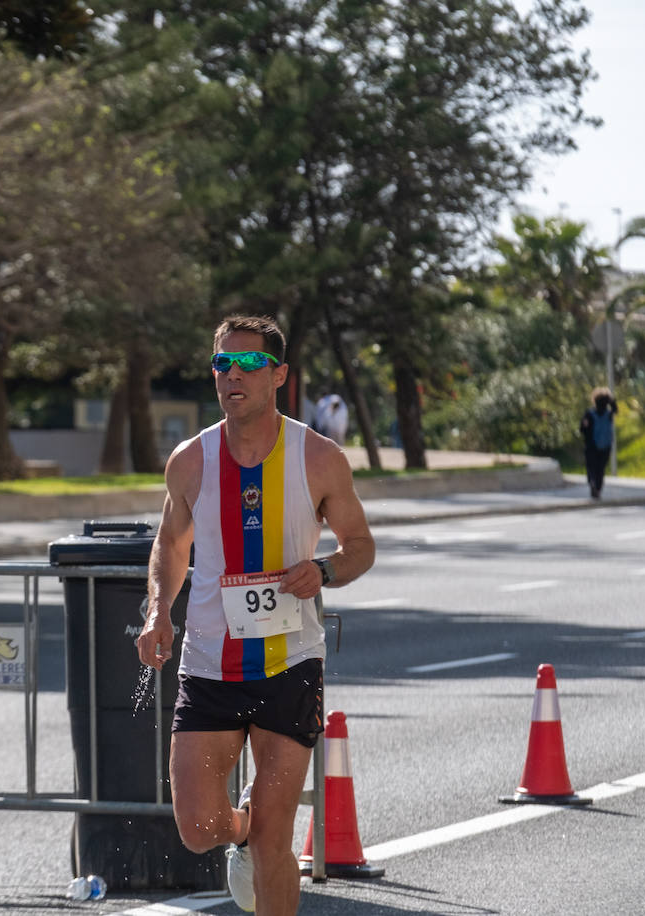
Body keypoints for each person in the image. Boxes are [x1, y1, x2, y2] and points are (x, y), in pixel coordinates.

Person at [136, 315, 374, 916]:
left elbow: (360, 546)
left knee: (277, 840)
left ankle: (258, 834)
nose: (233, 376)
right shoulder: (190, 461)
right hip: (210, 662)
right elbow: (170, 543)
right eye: (223, 364)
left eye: (248, 365)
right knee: (198, 827)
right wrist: (159, 610)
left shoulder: (318, 458)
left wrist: (322, 572)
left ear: (278, 376)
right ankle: (238, 829)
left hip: (289, 661)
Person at [579, 386, 617, 499]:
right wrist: (611, 400)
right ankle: (598, 489)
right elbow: (615, 408)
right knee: (600, 469)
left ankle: (592, 483)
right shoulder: (609, 414)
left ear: (594, 400)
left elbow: (582, 429)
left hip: (591, 445)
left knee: (591, 467)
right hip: (606, 446)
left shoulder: (589, 414)